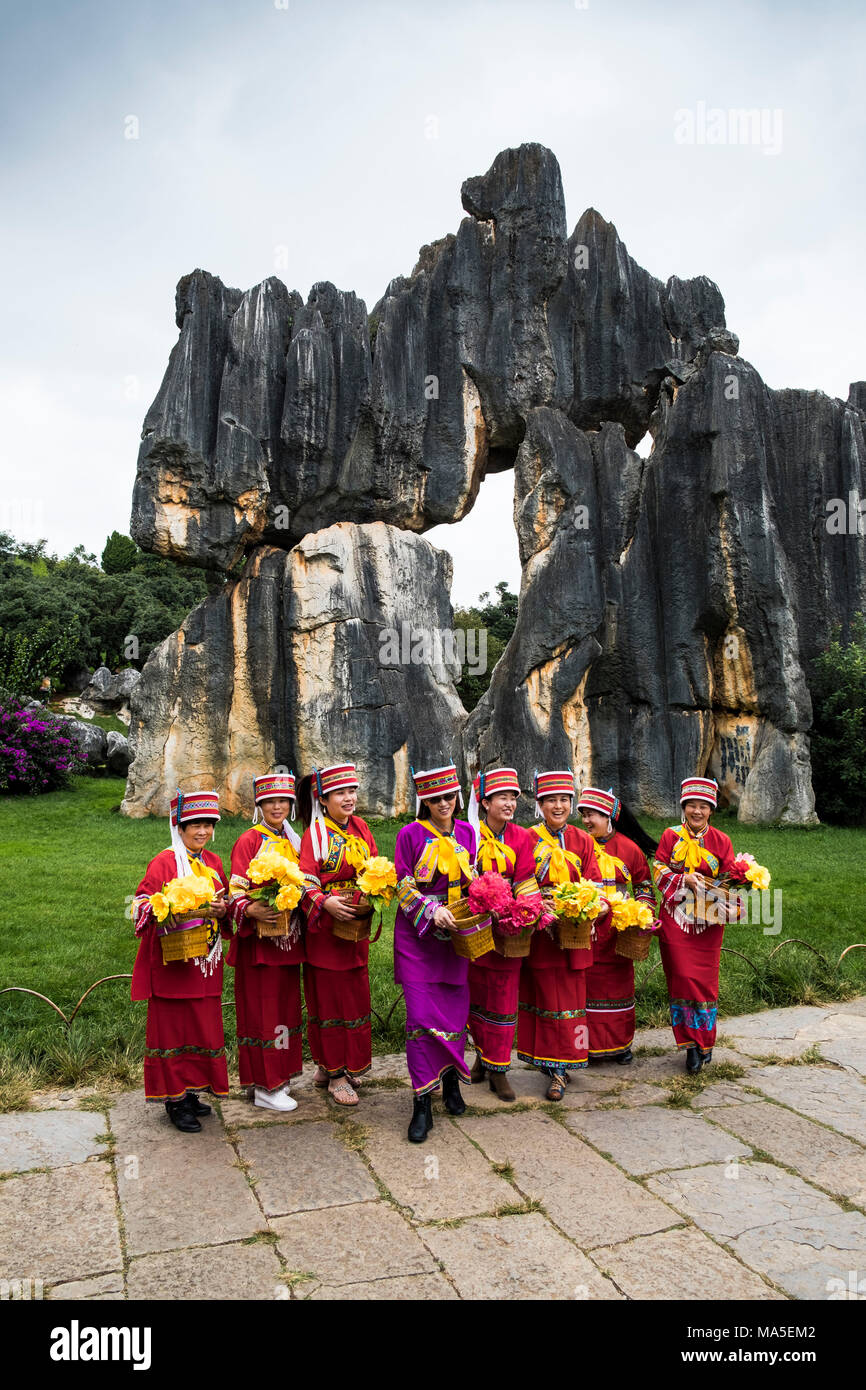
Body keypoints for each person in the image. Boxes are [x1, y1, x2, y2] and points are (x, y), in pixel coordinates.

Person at [130, 789, 232, 1133]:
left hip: (205, 963)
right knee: (174, 1029)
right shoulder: (163, 863)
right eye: (194, 825)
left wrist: (222, 908)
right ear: (179, 826)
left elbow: (226, 902)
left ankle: (191, 1092)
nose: (202, 831)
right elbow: (138, 905)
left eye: (207, 824)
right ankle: (175, 1099)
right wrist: (164, 910)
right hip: (174, 964)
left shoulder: (215, 864)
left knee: (201, 1026)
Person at [394, 765, 476, 1142]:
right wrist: (430, 910)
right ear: (424, 801)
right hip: (418, 938)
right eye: (436, 798)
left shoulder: (467, 833)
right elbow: (403, 884)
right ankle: (421, 1101)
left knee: (455, 1014)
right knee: (421, 1019)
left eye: (449, 796)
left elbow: (473, 879)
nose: (444, 804)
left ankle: (451, 1082)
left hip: (456, 937)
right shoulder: (409, 835)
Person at [297, 764, 378, 1106]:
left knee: (354, 998)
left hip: (354, 929)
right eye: (341, 793)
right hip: (326, 930)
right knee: (329, 1001)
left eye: (352, 791)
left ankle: (335, 1065)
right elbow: (305, 879)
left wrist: (373, 896)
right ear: (324, 798)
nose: (349, 798)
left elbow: (375, 867)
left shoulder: (361, 828)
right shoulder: (314, 834)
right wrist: (325, 903)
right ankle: (335, 1075)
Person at [652, 776, 743, 1074]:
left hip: (708, 923)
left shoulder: (721, 841)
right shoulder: (670, 836)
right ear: (683, 807)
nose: (697, 811)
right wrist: (683, 879)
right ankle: (690, 1045)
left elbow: (730, 878)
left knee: (704, 982)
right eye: (691, 805)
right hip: (676, 919)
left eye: (703, 806)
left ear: (711, 810)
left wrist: (726, 893)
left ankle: (705, 1042)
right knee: (681, 978)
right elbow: (659, 868)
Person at [521, 770, 602, 1099]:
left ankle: (564, 1066)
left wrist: (592, 909)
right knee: (543, 997)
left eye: (564, 800)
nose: (559, 806)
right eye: (551, 800)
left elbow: (594, 882)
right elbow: (521, 879)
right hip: (542, 932)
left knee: (571, 1001)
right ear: (540, 804)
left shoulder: (583, 841)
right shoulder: (527, 838)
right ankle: (550, 1064)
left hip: (574, 932)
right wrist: (541, 907)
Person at [228, 772, 304, 1112]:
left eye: (283, 801)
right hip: (259, 944)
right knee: (264, 1012)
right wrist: (251, 909)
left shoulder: (295, 841)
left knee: (285, 1010)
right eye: (270, 801)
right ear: (260, 805)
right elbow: (234, 891)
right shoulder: (249, 840)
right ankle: (264, 1085)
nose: (278, 806)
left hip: (288, 940)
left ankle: (280, 1076)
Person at [466, 767, 542, 1101]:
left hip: (508, 932)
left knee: (503, 997)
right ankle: (482, 1056)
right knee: (475, 996)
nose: (509, 803)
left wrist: (524, 911)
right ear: (484, 802)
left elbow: (526, 879)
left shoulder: (521, 837)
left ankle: (499, 1068)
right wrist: (482, 901)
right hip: (475, 926)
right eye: (502, 797)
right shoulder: (467, 835)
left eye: (513, 797)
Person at [578, 787, 658, 1066]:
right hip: (585, 931)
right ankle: (583, 1047)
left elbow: (645, 888)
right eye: (584, 815)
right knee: (584, 990)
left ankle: (621, 1045)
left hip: (618, 934)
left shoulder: (630, 849)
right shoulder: (577, 844)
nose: (587, 821)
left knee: (619, 989)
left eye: (593, 815)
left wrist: (643, 913)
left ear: (609, 815)